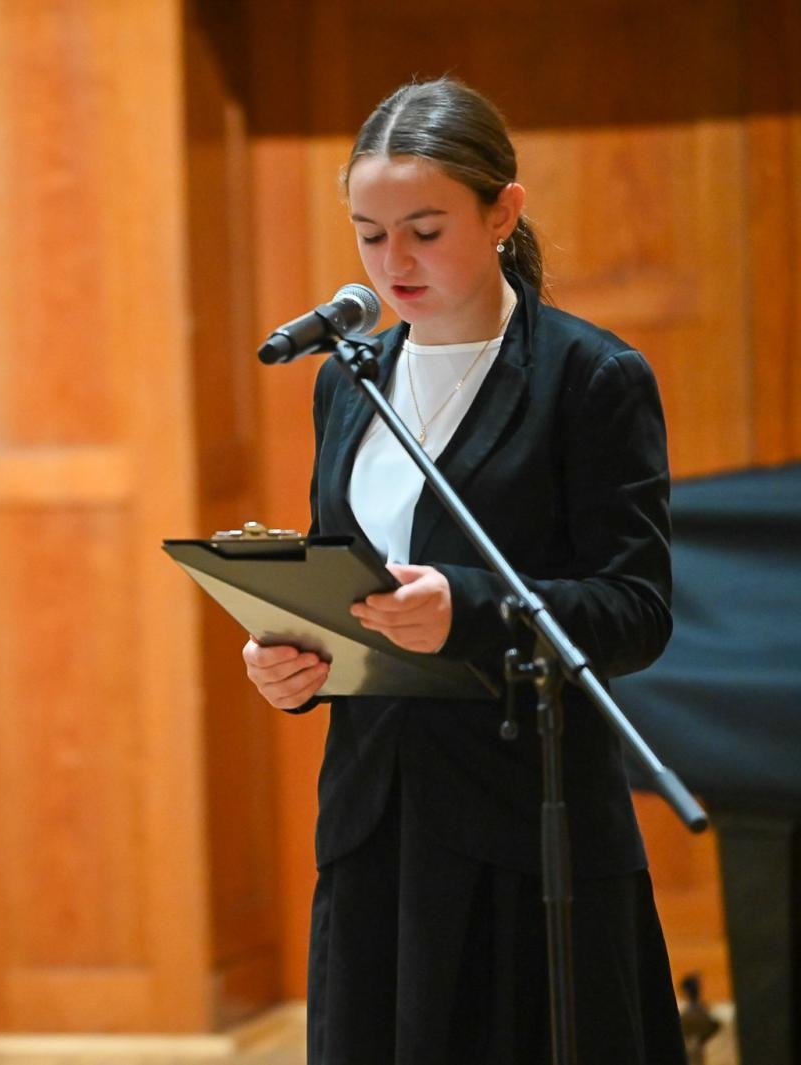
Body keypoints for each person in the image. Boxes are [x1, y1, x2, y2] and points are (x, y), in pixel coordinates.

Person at [241, 77, 685, 1064]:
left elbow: (636, 610)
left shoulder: (589, 378)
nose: (391, 262)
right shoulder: (345, 382)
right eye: (368, 233)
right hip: (374, 825)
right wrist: (294, 661)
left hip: (525, 829)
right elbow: (345, 579)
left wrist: (469, 609)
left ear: (502, 213)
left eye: (424, 230)